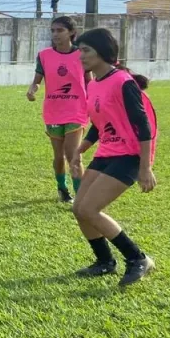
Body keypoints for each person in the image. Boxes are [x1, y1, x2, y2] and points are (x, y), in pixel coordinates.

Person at [69, 27, 158, 287]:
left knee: (89, 208)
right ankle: (105, 262)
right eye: (79, 50)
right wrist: (80, 151)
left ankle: (138, 258)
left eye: (85, 50)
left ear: (103, 52)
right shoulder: (95, 83)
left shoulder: (123, 82)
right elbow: (100, 123)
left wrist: (146, 167)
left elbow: (143, 127)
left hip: (129, 155)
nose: (80, 56)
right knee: (78, 209)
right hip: (107, 152)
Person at [27, 16, 89, 203]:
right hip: (53, 111)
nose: (55, 34)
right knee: (58, 156)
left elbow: (90, 81)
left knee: (73, 154)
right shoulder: (44, 55)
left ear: (71, 32)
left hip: (77, 110)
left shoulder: (82, 54)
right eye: (53, 30)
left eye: (60, 30)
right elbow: (37, 81)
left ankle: (80, 196)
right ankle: (62, 189)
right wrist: (32, 90)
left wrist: (96, 101)